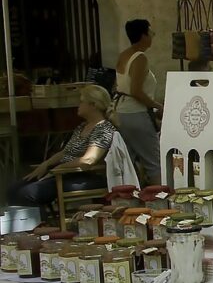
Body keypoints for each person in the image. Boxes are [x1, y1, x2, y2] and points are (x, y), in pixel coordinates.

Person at [7, 85, 116, 206]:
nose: (78, 105)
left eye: (81, 101)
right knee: (13, 190)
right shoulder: (82, 127)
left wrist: (58, 169)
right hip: (63, 173)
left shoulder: (103, 128)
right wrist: (46, 164)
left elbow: (89, 160)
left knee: (28, 193)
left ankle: (41, 223)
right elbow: (65, 152)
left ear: (93, 105)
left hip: (82, 175)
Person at [115, 19, 162, 185]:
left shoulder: (124, 55)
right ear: (143, 36)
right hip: (136, 113)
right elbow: (136, 90)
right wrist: (157, 106)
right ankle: (160, 200)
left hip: (122, 113)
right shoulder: (139, 58)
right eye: (151, 33)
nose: (152, 37)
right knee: (154, 162)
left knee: (129, 162)